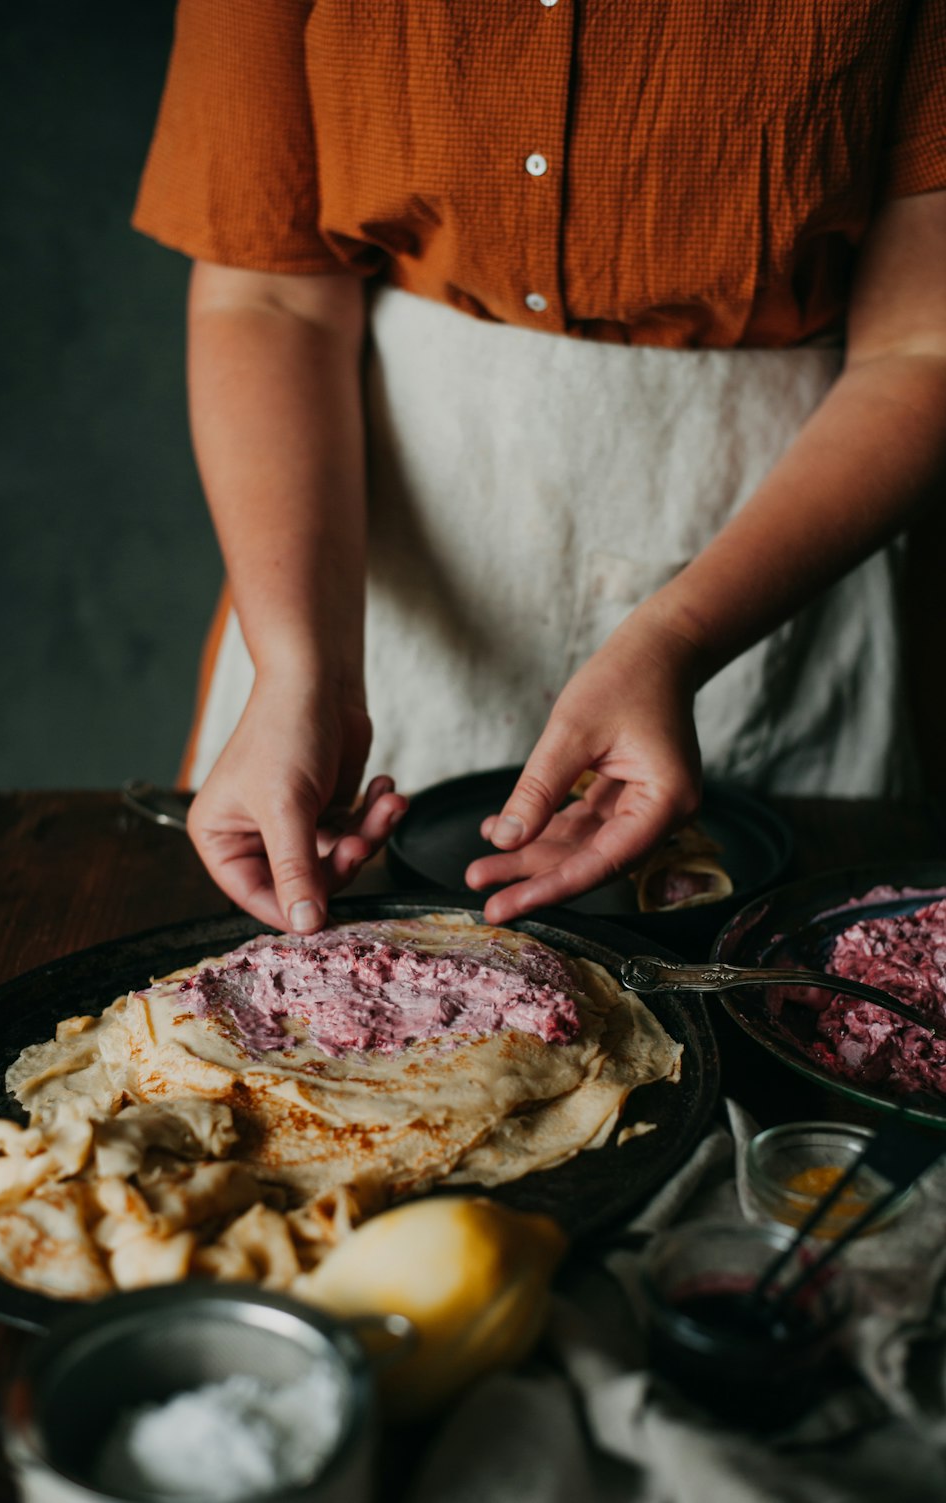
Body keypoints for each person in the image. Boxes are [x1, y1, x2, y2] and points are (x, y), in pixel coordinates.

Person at [133, 1, 946, 936]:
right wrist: (300, 667)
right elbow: (272, 298)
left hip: (772, 538)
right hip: (365, 539)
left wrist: (679, 639)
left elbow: (922, 347)